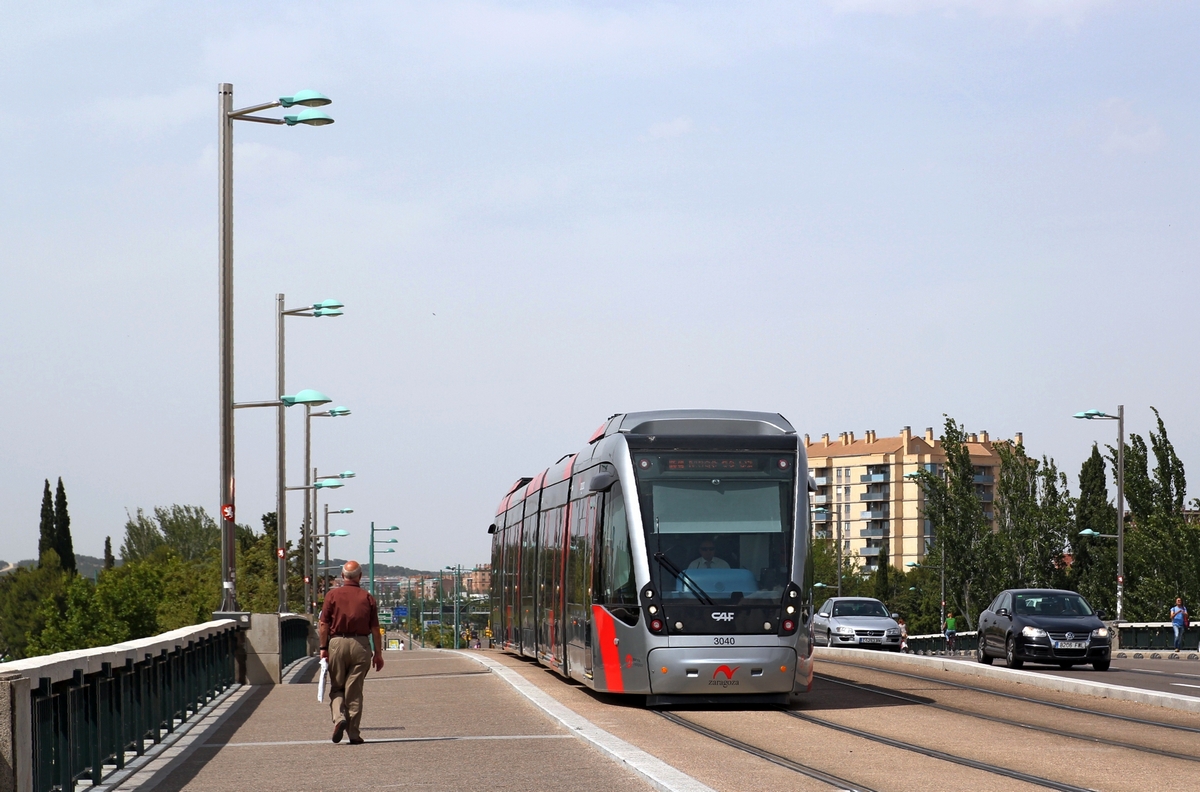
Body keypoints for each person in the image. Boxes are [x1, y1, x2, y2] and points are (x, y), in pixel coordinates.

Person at [318, 560, 384, 745]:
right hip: (361, 644)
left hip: (337, 643)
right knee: (354, 691)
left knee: (337, 687)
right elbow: (375, 628)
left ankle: (339, 718)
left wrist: (323, 648)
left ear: (342, 576)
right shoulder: (367, 598)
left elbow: (324, 624)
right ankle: (353, 734)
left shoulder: (332, 595)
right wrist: (378, 654)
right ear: (360, 577)